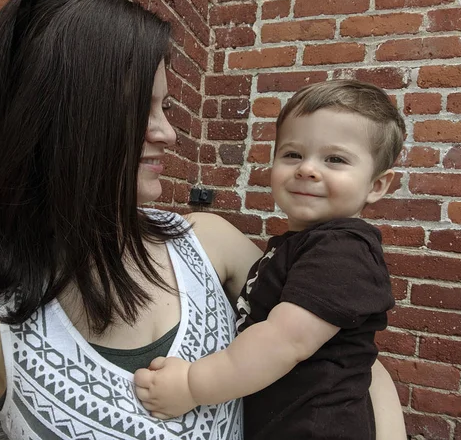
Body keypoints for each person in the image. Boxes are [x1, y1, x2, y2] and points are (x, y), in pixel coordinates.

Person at [0, 0, 406, 438]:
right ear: (59, 122)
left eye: (164, 109)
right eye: (143, 110)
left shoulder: (208, 241)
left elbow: (345, 352)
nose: (167, 133)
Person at [135, 80, 406, 440]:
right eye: (293, 154)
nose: (307, 169)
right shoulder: (302, 244)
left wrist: (190, 385)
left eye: (335, 159)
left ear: (377, 186)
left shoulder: (344, 250)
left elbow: (283, 341)